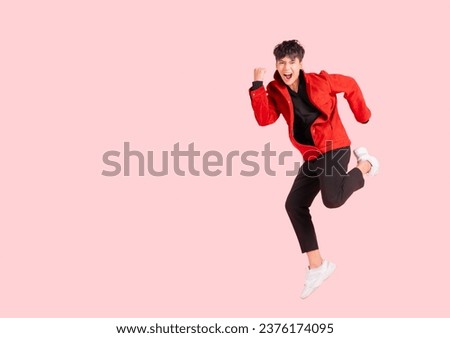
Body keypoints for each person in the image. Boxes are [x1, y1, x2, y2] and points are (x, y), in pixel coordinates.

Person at [249, 40, 379, 299]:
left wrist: (362, 115)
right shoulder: (275, 89)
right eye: (282, 63)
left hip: (335, 147)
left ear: (300, 64)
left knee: (332, 200)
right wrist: (257, 87)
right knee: (294, 205)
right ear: (277, 65)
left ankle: (365, 164)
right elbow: (265, 119)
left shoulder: (322, 81)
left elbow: (351, 84)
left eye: (292, 62)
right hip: (312, 156)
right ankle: (318, 266)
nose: (287, 68)